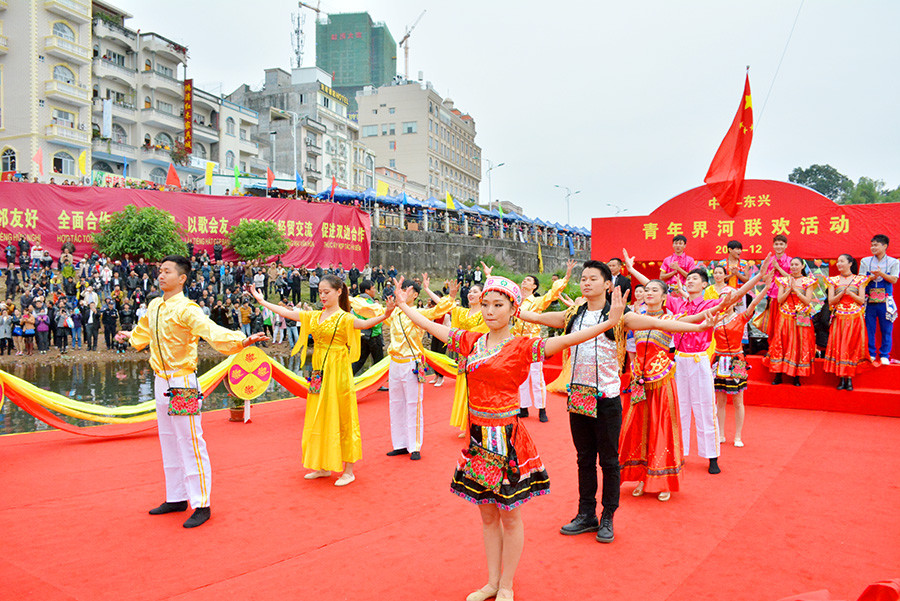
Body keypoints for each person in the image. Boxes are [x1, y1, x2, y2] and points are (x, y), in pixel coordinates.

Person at [393, 275, 629, 601]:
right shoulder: (471, 341)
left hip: (505, 439)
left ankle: (507, 585)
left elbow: (568, 340)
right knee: (487, 514)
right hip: (477, 440)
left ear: (513, 309)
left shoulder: (521, 346)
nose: (489, 311)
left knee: (509, 514)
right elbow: (434, 328)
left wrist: (609, 324)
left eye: (498, 305)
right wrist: (404, 306)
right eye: (486, 304)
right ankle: (491, 582)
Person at [520, 260, 719, 539]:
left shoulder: (620, 315)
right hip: (579, 394)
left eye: (592, 279)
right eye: (583, 278)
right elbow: (546, 319)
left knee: (609, 461)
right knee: (584, 458)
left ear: (606, 285)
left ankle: (608, 516)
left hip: (607, 398)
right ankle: (586, 513)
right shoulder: (574, 314)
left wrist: (699, 328)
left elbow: (657, 322)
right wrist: (516, 312)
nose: (586, 283)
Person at [117, 255, 267, 529]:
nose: (160, 276)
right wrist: (130, 337)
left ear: (182, 278)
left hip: (183, 382)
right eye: (159, 271)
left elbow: (211, 331)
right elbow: (144, 333)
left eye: (167, 272)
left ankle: (201, 503)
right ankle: (176, 497)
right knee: (168, 439)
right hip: (160, 380)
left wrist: (241, 340)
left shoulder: (188, 309)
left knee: (190, 441)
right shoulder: (154, 305)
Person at [625, 250, 770, 474]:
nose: (690, 280)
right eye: (689, 278)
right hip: (678, 362)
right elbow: (655, 288)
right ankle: (678, 453)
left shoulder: (710, 304)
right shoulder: (677, 305)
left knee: (704, 406)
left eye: (695, 278)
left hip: (700, 359)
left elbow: (737, 294)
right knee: (678, 408)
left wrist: (758, 276)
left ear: (704, 284)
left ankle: (712, 455)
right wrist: (632, 269)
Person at [250, 277, 393, 485]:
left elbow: (364, 324)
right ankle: (323, 466)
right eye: (320, 292)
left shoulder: (344, 318)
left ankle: (349, 470)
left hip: (339, 371)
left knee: (343, 415)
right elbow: (290, 313)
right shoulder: (315, 316)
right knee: (319, 415)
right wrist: (262, 302)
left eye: (327, 292)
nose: (323, 296)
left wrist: (386, 314)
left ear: (339, 292)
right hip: (318, 371)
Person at [384, 274, 455, 460]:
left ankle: (414, 445)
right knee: (396, 404)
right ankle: (400, 444)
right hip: (394, 363)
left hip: (412, 363)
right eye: (400, 290)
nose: (402, 294)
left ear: (415, 295)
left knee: (413, 404)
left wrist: (451, 297)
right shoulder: (394, 314)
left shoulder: (419, 313)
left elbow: (441, 309)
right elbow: (373, 312)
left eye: (406, 291)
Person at [511, 260, 574, 422]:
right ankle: (523, 406)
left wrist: (566, 277)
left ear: (534, 287)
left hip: (533, 342)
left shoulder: (537, 302)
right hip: (518, 341)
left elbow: (552, 294)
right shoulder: (515, 302)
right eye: (524, 279)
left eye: (529, 280)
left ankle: (541, 408)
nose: (525, 281)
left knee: (536, 375)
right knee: (521, 376)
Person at [713, 274, 771, 447]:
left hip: (737, 360)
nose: (726, 301)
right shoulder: (714, 319)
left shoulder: (741, 317)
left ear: (736, 301)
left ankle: (738, 435)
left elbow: (753, 304)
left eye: (730, 298)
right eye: (723, 298)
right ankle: (721, 433)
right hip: (719, 360)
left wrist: (766, 288)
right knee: (720, 400)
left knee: (738, 400)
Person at [767, 257, 817, 386]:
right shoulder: (784, 281)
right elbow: (779, 300)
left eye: (796, 265)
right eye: (792, 265)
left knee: (799, 344)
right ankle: (778, 374)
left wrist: (796, 291)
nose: (794, 267)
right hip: (784, 315)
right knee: (781, 342)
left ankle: (797, 375)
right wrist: (789, 289)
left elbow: (807, 300)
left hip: (801, 316)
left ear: (802, 266)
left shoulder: (808, 282)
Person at [824, 254, 870, 390]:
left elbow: (861, 300)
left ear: (850, 263)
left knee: (851, 347)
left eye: (842, 261)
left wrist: (851, 294)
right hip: (839, 317)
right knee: (840, 346)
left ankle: (849, 377)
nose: (839, 264)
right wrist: (841, 294)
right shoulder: (833, 280)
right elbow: (831, 301)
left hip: (855, 317)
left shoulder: (859, 280)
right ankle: (840, 376)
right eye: (838, 261)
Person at [447, 283, 488, 436]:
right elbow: (443, 308)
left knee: (477, 391)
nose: (471, 294)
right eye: (470, 291)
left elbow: (482, 332)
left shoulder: (485, 313)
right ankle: (467, 424)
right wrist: (450, 294)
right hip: (464, 355)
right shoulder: (462, 312)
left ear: (482, 295)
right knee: (465, 390)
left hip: (478, 354)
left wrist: (464, 338)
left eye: (475, 292)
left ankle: (478, 424)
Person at [859, 235, 898, 365]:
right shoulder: (865, 261)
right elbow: (860, 280)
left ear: (885, 246)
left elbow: (894, 279)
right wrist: (870, 277)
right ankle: (870, 353)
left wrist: (881, 274)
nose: (873, 248)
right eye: (872, 245)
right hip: (869, 299)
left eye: (876, 245)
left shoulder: (894, 262)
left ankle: (885, 354)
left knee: (887, 328)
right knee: (869, 327)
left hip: (886, 300)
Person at [349, 280, 385, 375]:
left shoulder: (356, 300)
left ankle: (346, 378)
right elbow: (376, 322)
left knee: (359, 360)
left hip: (362, 335)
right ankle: (378, 384)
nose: (374, 290)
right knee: (379, 361)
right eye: (373, 288)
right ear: (367, 290)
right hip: (373, 335)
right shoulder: (370, 303)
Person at [764, 234, 793, 340]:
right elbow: (764, 278)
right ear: (773, 245)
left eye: (781, 244)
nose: (779, 246)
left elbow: (792, 278)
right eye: (776, 244)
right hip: (772, 296)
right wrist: (770, 273)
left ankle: (784, 347)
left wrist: (778, 268)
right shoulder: (769, 260)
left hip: (786, 296)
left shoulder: (790, 261)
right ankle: (772, 347)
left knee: (785, 323)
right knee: (772, 324)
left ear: (786, 246)